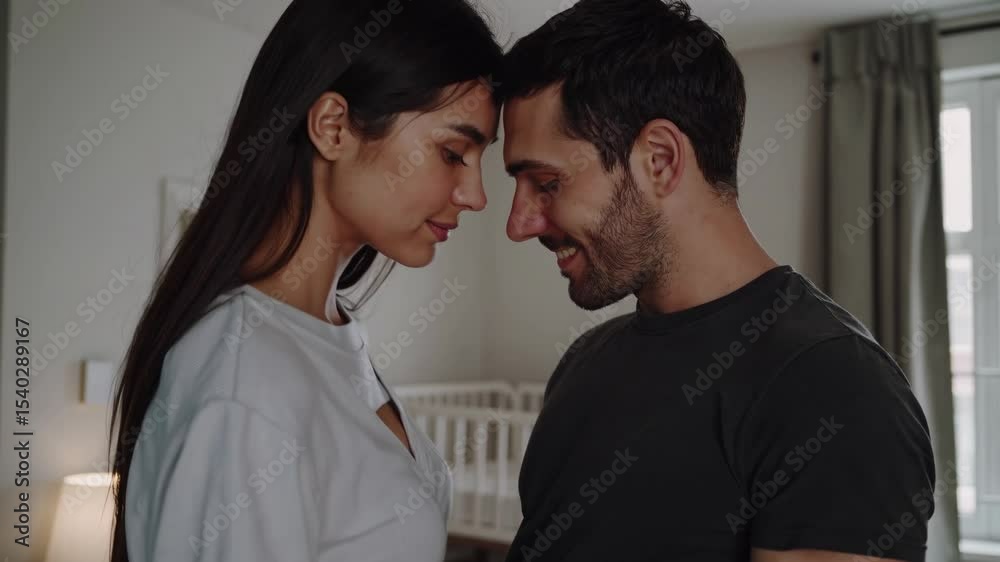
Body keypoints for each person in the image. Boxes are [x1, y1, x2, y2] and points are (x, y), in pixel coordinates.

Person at [496, 1, 935, 561]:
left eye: (547, 183)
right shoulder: (583, 362)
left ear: (659, 160)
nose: (518, 224)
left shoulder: (836, 388)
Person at [107, 1, 502, 560]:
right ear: (333, 127)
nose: (476, 196)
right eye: (453, 152)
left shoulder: (326, 337)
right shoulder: (244, 381)